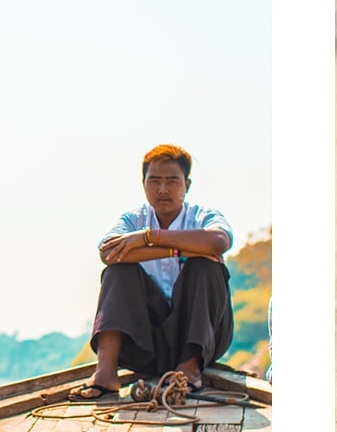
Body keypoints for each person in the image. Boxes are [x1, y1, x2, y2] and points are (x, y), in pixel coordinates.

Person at [69, 144, 235, 400]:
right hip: (145, 342)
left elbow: (218, 242)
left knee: (206, 266)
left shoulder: (202, 216)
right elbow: (109, 254)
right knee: (118, 271)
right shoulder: (131, 220)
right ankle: (106, 371)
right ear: (143, 184)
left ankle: (189, 369)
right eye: (154, 181)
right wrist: (178, 250)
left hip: (202, 338)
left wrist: (149, 238)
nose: (163, 189)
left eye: (172, 181)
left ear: (186, 185)